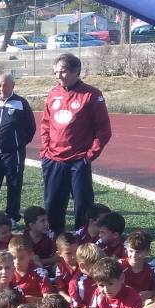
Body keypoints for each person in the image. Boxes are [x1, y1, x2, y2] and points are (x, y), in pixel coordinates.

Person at [40, 53, 112, 234]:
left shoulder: (91, 94)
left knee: (83, 204)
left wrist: (89, 156)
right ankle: (55, 238)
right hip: (53, 159)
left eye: (63, 71)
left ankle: (82, 239)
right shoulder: (53, 93)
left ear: (76, 71)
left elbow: (104, 130)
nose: (58, 76)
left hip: (78, 161)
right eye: (55, 72)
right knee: (53, 203)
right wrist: (45, 151)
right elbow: (46, 124)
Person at [0, 73, 36, 222]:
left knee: (14, 184)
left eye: (5, 85)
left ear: (12, 86)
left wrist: (19, 143)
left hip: (14, 153)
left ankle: (12, 216)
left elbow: (31, 127)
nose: (1, 88)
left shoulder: (21, 103)